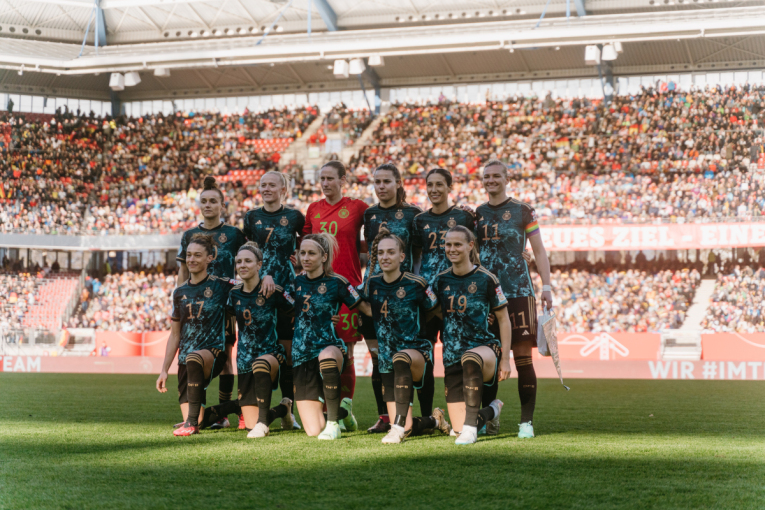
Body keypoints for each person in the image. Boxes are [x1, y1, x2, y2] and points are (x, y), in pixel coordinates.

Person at [476, 159, 553, 439]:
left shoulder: (523, 210)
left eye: (496, 176)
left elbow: (539, 250)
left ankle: (525, 422)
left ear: (506, 179)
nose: (491, 180)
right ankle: (489, 418)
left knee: (522, 359)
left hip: (519, 292)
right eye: (487, 176)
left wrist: (547, 286)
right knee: (489, 361)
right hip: (486, 296)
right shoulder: (478, 214)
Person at [358, 229, 451, 444]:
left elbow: (438, 311)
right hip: (387, 359)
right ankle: (434, 421)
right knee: (408, 427)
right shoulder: (371, 283)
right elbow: (352, 297)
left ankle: (397, 429)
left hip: (416, 354)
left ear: (402, 257)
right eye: (381, 253)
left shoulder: (416, 283)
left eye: (391, 252)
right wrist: (334, 315)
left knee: (401, 359)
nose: (385, 257)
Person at [202, 242, 298, 438]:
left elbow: (299, 310)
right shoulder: (233, 294)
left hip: (271, 354)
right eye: (239, 262)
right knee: (249, 424)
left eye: (248, 261)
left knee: (261, 364)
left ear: (259, 265)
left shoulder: (273, 290)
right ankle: (283, 409)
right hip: (244, 360)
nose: (242, 265)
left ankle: (264, 424)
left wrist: (328, 318)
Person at [176, 176, 246, 430]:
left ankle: (225, 414)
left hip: (225, 306)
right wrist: (179, 301)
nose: (208, 205)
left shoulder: (234, 234)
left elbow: (246, 264)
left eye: (213, 201)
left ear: (222, 206)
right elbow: (183, 272)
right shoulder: (189, 235)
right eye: (203, 201)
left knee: (226, 358)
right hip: (195, 306)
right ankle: (200, 413)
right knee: (193, 356)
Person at [432, 226, 512, 445]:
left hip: (484, 351)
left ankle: (471, 429)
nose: (452, 249)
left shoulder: (487, 279)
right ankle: (492, 410)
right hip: (451, 357)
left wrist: (505, 359)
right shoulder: (440, 280)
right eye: (448, 244)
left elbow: (504, 319)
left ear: (470, 246)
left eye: (457, 244)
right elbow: (431, 309)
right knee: (458, 429)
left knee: (471, 357)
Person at [289, 233, 371, 440]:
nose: (305, 258)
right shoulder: (295, 282)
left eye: (311, 253)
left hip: (330, 348)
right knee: (313, 430)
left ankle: (334, 424)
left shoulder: (337, 282)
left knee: (326, 356)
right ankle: (343, 413)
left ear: (324, 257)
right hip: (301, 356)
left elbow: (367, 310)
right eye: (302, 253)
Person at [410, 168, 476, 422]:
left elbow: (476, 251)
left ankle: (465, 413)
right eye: (430, 185)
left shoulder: (464, 217)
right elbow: (416, 257)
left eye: (439, 184)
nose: (434, 190)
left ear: (450, 187)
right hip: (427, 297)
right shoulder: (419, 220)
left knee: (457, 353)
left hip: (457, 296)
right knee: (424, 355)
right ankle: (427, 415)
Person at [361, 163, 422, 434]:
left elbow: (420, 253)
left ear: (398, 183)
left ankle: (422, 411)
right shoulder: (369, 214)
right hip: (373, 292)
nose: (381, 186)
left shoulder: (413, 214)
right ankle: (384, 416)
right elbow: (371, 254)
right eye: (377, 182)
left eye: (386, 181)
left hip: (404, 294)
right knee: (378, 358)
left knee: (408, 357)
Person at [302, 161, 368, 408]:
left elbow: (373, 237)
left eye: (330, 178)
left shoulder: (358, 207)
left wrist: (353, 246)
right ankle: (325, 406)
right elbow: (305, 244)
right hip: (319, 289)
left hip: (349, 287)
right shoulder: (313, 209)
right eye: (322, 179)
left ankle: (345, 408)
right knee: (322, 350)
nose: (325, 183)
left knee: (348, 352)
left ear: (343, 180)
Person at [156, 233, 236, 436]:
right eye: (189, 255)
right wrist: (164, 370)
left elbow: (250, 286)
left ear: (210, 258)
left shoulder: (222, 285)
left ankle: (190, 424)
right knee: (199, 418)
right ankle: (235, 406)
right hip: (185, 360)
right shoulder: (179, 292)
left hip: (213, 354)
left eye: (197, 255)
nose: (191, 259)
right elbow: (175, 335)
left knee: (194, 358)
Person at [242, 170, 305, 430]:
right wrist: (263, 273)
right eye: (263, 185)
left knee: (289, 353)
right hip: (258, 295)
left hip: (287, 292)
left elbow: (307, 246)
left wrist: (299, 261)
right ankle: (259, 410)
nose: (266, 188)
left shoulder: (294, 217)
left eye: (272, 185)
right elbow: (247, 252)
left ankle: (288, 407)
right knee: (262, 351)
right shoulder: (251, 217)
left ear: (283, 190)